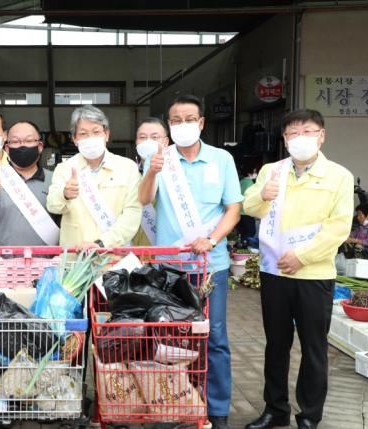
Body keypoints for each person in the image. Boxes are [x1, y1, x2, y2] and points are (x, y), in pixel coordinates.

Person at [243, 109, 354, 429]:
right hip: (274, 272)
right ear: (284, 139)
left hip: (313, 274)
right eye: (292, 133)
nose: (300, 138)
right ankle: (275, 409)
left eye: (307, 131)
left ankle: (309, 415)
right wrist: (261, 195)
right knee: (276, 344)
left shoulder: (339, 176)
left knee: (313, 347)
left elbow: (338, 227)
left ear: (321, 136)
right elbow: (249, 205)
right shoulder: (272, 171)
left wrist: (303, 256)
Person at [138, 95, 242, 429]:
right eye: (175, 120)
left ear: (201, 123)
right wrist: (152, 172)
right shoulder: (159, 159)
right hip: (168, 268)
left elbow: (233, 209)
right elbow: (143, 199)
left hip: (211, 266)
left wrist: (211, 239)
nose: (182, 125)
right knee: (167, 336)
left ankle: (217, 409)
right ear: (169, 126)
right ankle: (170, 403)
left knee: (214, 336)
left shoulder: (222, 159)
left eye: (189, 119)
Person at [47, 105, 141, 249]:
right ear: (75, 139)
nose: (90, 138)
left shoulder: (128, 167)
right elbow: (52, 206)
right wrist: (64, 195)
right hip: (76, 255)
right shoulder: (64, 169)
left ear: (106, 134)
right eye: (83, 134)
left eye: (96, 132)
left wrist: (102, 243)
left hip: (113, 254)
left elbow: (132, 214)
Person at [0, 120, 59, 247]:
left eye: (29, 140)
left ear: (40, 146)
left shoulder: (55, 179)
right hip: (2, 258)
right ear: (7, 148)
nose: (22, 146)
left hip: (47, 259)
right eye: (15, 141)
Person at [132, 117, 170, 246]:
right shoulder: (127, 171)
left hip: (165, 248)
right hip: (132, 248)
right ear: (136, 142)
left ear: (166, 142)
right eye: (142, 137)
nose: (148, 141)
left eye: (155, 137)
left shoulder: (176, 174)